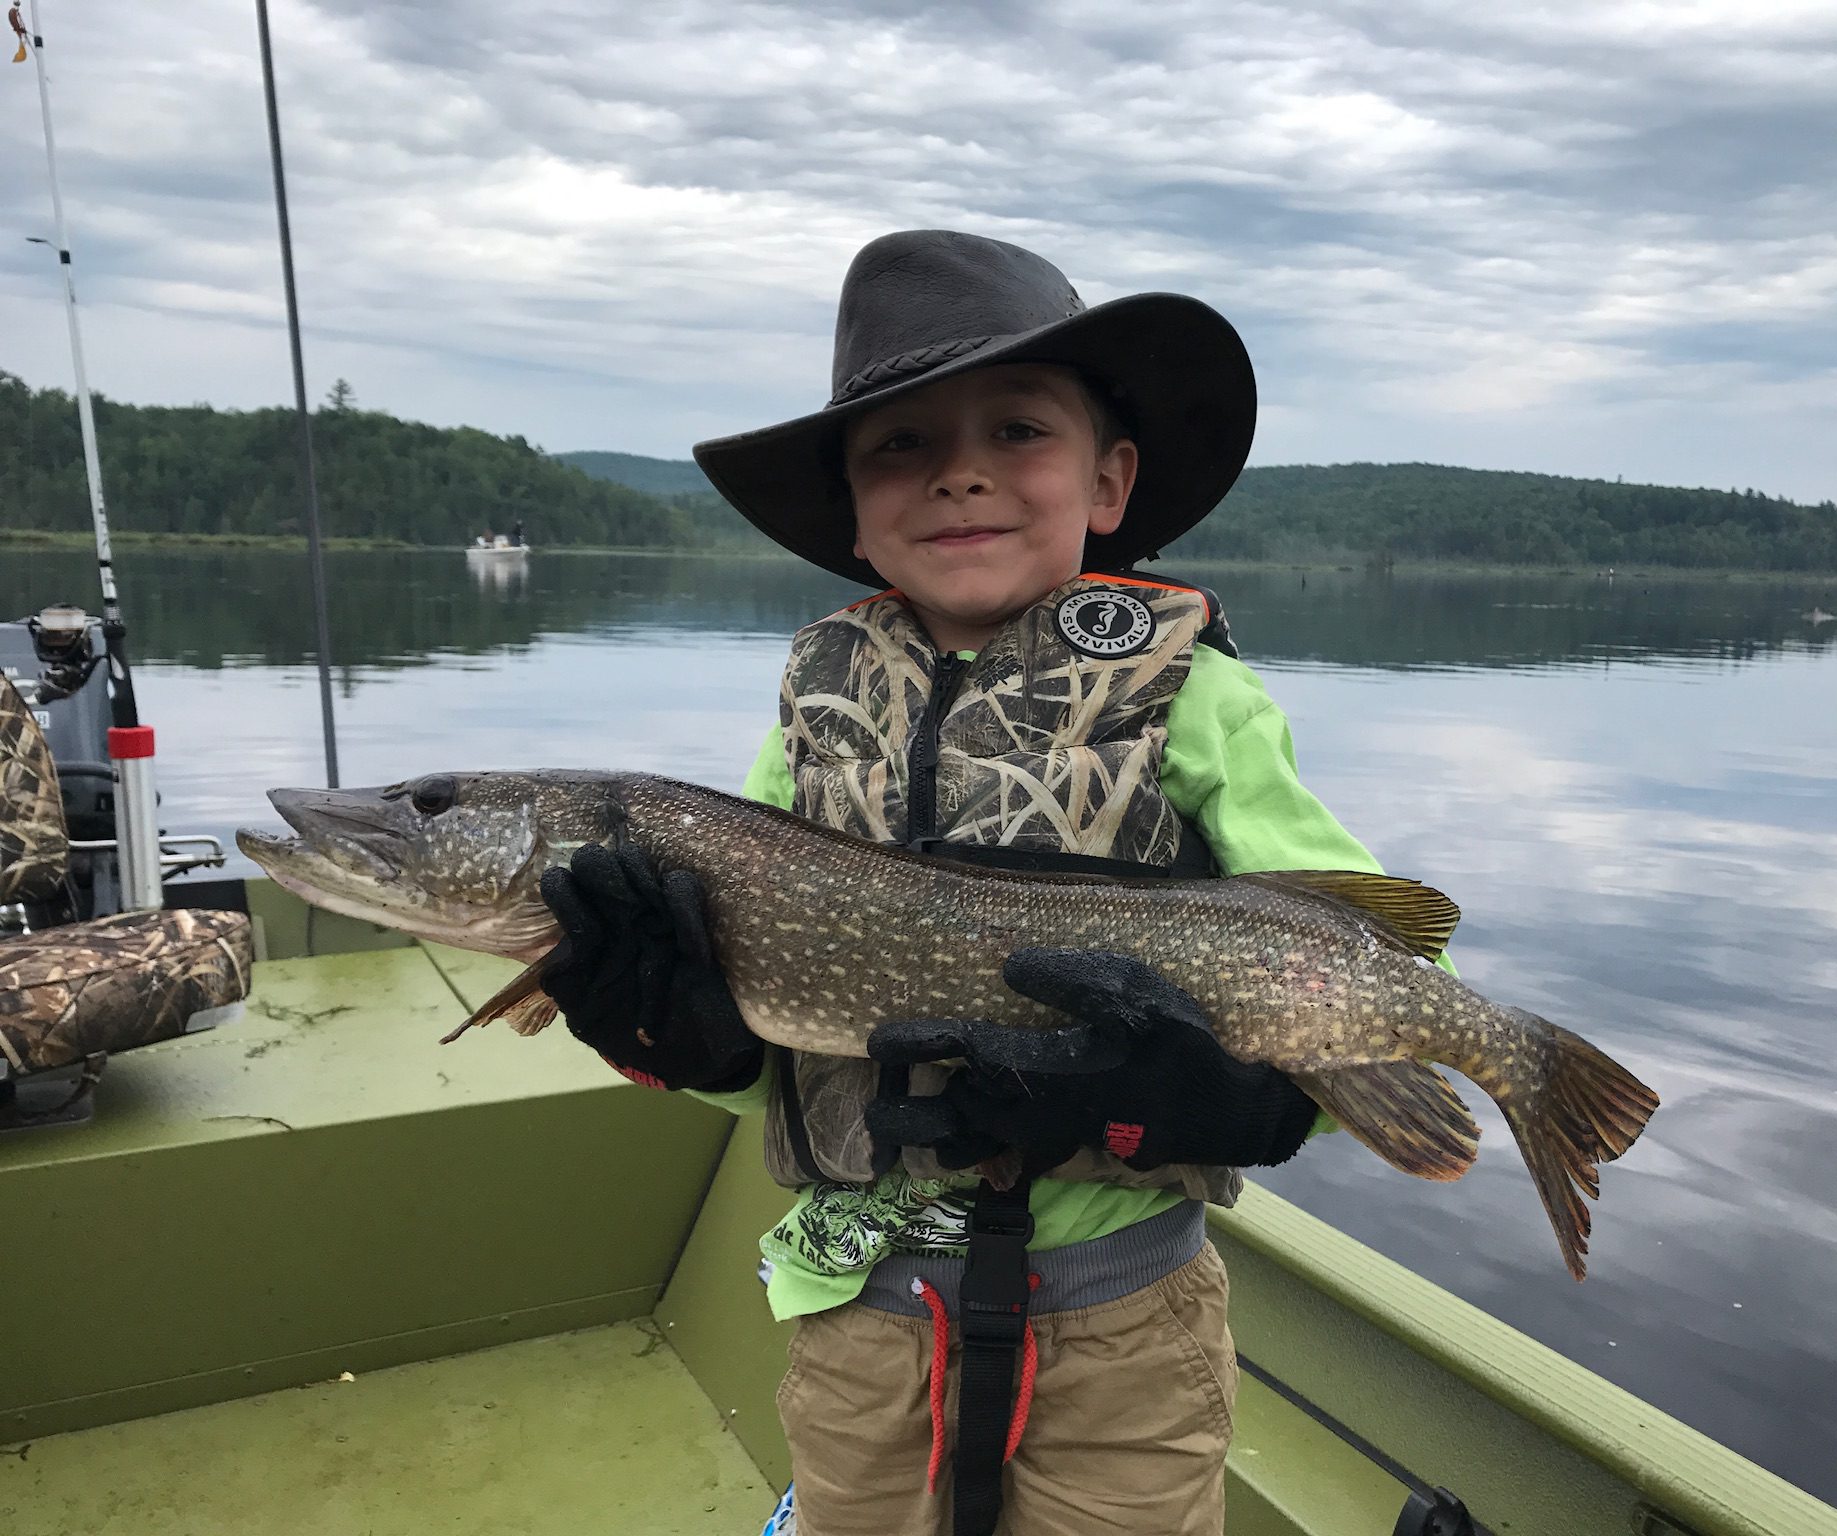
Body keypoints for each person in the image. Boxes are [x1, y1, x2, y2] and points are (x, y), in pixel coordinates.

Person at [537, 230, 1430, 1536]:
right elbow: (773, 1039)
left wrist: (1254, 1105)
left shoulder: (1202, 705)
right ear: (850, 505)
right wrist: (687, 1041)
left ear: (1110, 481)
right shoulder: (807, 730)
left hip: (1127, 1325)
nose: (961, 473)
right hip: (862, 1319)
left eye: (1017, 431)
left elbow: (1401, 976)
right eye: (901, 443)